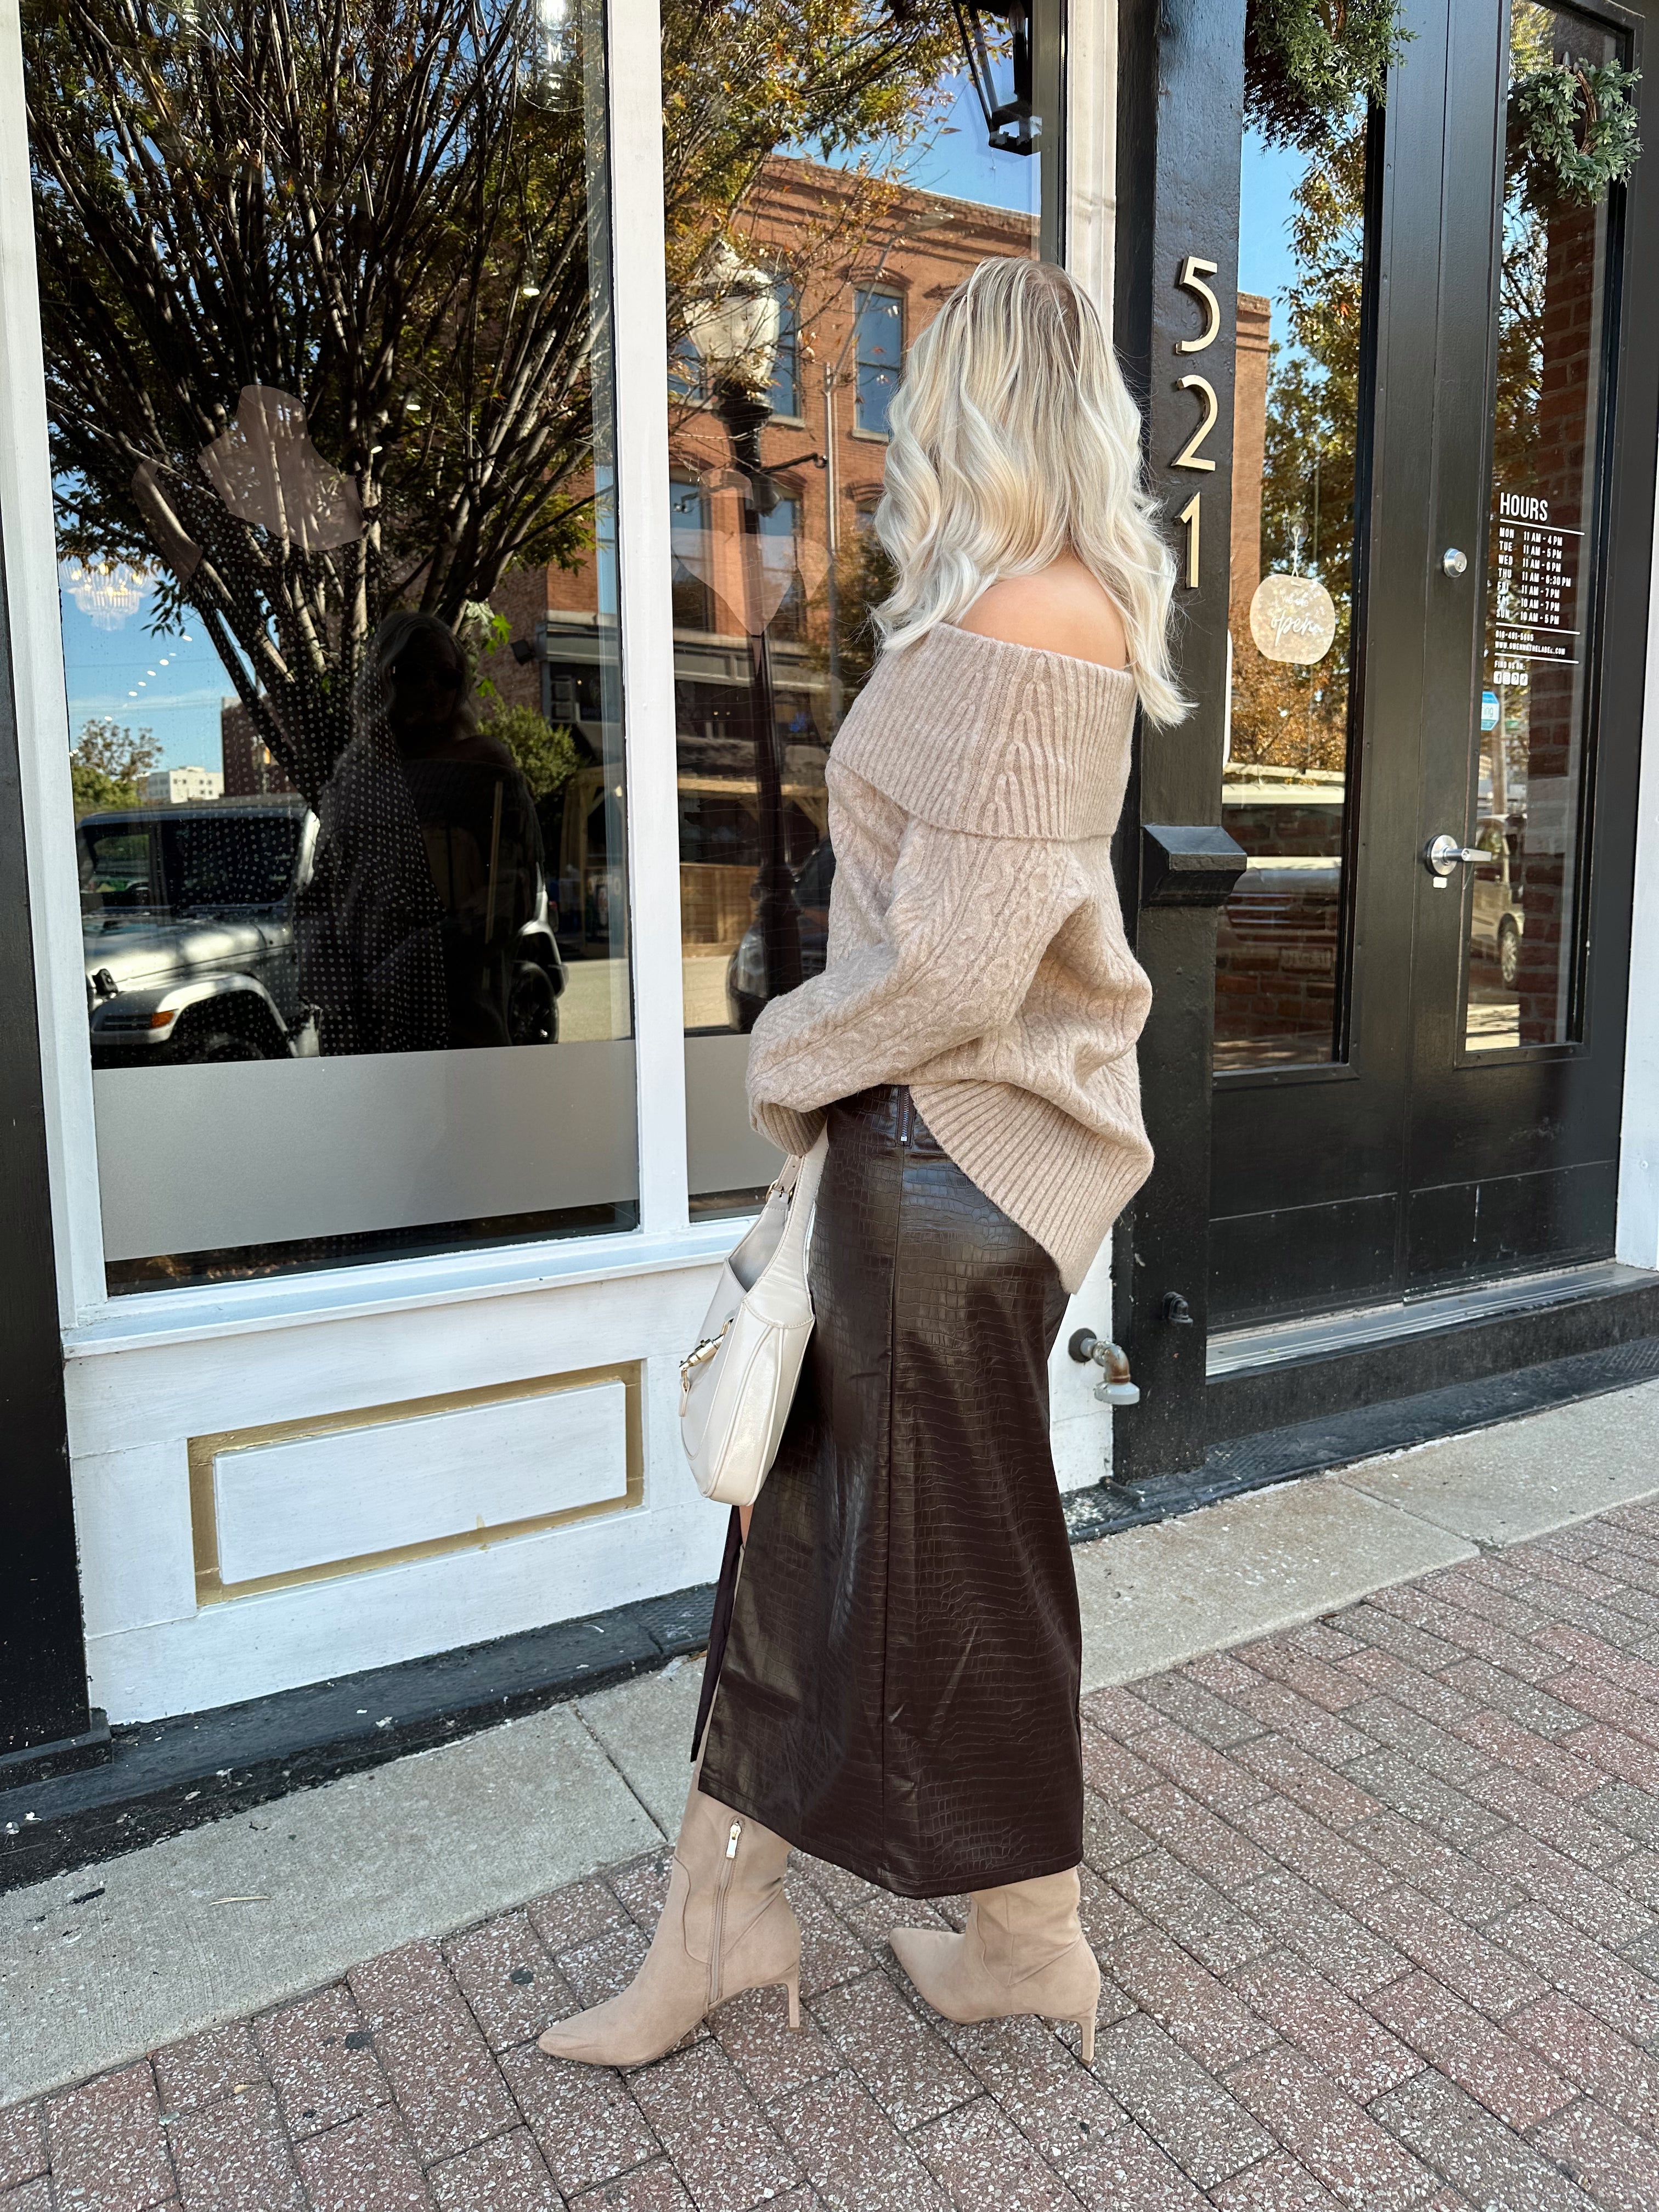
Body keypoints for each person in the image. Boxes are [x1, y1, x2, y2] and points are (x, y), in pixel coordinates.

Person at [539, 256, 1185, 2069]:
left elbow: (959, 970)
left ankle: (790, 1926)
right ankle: (963, 1932)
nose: (896, 417)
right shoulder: (1048, 609)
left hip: (936, 1155)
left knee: (860, 1552)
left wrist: (787, 1056)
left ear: (975, 405)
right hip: (952, 1165)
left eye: (921, 389)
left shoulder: (1024, 621)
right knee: (889, 1549)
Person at [297, 611, 540, 1054]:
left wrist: (408, 966)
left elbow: (512, 894)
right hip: (359, 1027)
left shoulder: (482, 766)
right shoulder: (354, 779)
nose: (432, 688)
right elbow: (322, 897)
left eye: (447, 678)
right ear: (382, 677)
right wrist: (334, 979)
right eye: (412, 673)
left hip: (454, 1015)